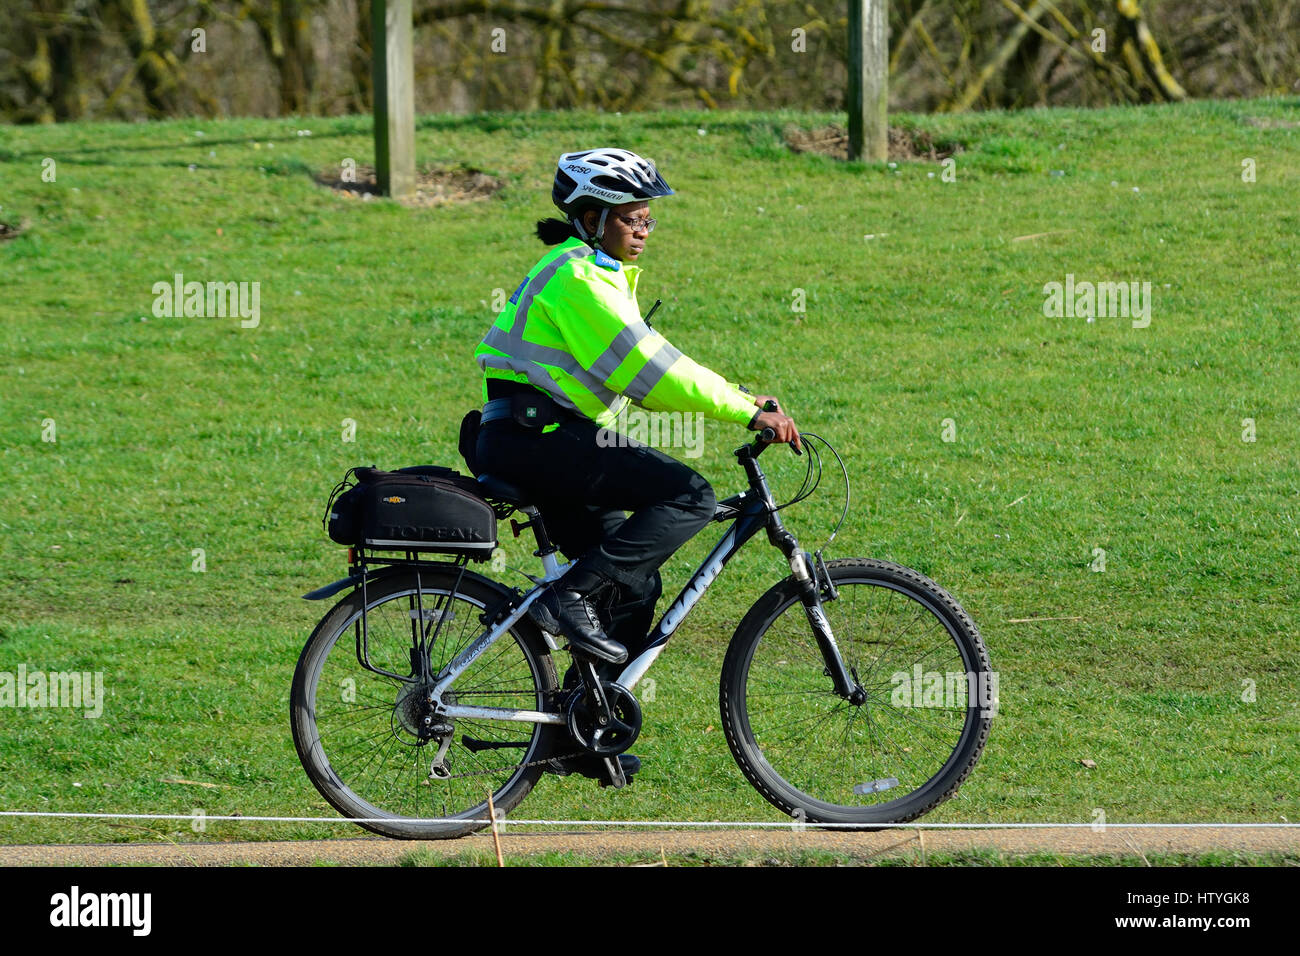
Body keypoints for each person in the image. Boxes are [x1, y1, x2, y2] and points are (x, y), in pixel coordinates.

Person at [472, 147, 799, 780]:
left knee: (635, 579)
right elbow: (646, 370)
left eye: (648, 219)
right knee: (689, 497)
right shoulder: (575, 278)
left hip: (542, 437)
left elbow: (656, 356)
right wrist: (743, 413)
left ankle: (575, 731)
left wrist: (739, 395)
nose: (644, 230)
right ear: (591, 218)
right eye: (631, 219)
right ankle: (566, 599)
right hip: (536, 437)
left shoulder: (594, 273)